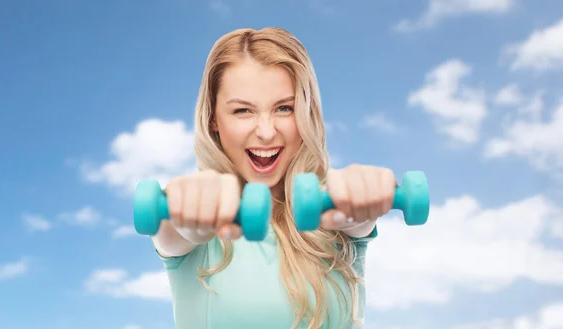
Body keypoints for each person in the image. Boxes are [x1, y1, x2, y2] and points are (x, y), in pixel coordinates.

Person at [151, 27, 397, 329]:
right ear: (214, 118)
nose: (266, 132)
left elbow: (356, 221)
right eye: (243, 111)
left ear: (307, 112)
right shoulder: (190, 218)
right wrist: (187, 216)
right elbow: (174, 230)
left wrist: (362, 197)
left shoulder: (333, 213)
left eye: (284, 108)